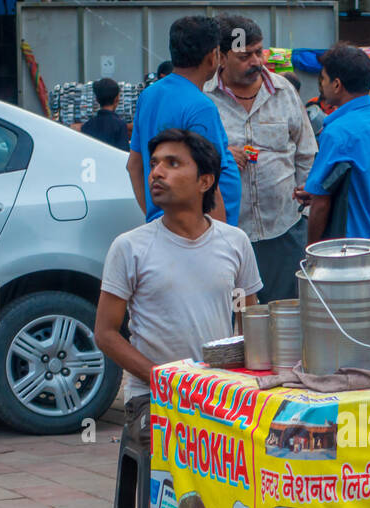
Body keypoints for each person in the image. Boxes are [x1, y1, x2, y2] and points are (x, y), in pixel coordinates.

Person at [96, 128, 261, 481]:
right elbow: (106, 334)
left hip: (220, 396)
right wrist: (164, 381)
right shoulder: (130, 247)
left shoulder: (235, 242)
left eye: (172, 163)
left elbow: (251, 322)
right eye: (154, 163)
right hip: (152, 399)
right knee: (186, 471)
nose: (156, 172)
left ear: (205, 181)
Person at [208, 14, 315, 303]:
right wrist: (220, 157)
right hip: (229, 234)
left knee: (285, 317)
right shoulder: (205, 100)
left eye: (258, 52)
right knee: (239, 319)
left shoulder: (284, 92)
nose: (256, 61)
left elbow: (306, 151)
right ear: (220, 56)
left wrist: (303, 210)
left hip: (283, 231)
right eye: (244, 55)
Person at [128, 15, 240, 226]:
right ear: (212, 56)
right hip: (197, 235)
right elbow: (209, 184)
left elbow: (134, 165)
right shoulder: (200, 107)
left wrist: (155, 218)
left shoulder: (150, 95)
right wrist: (217, 242)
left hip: (171, 229)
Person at [299, 44, 370, 243]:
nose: (321, 85)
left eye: (323, 79)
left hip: (352, 251)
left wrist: (312, 252)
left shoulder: (338, 132)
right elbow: (369, 179)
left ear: (337, 85)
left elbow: (321, 204)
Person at [80, 77, 130, 151]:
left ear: (97, 100)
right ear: (117, 99)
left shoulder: (87, 125)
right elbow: (124, 154)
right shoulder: (120, 125)